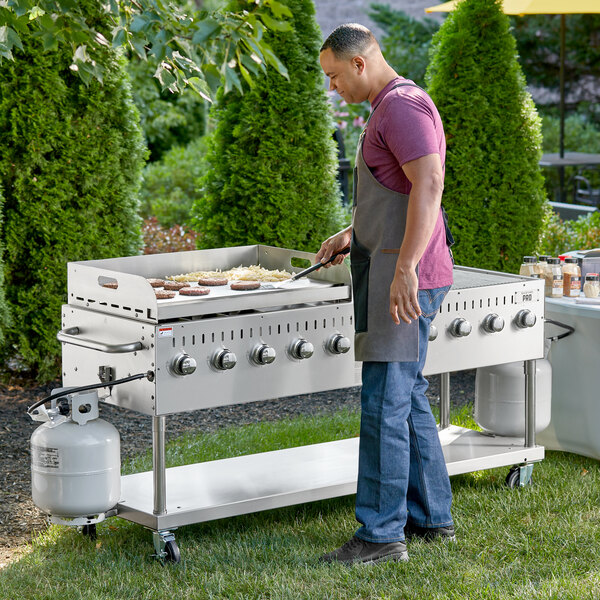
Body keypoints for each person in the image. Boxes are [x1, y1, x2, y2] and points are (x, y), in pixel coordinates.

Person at [316, 23, 455, 565]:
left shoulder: (400, 108)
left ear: (359, 62)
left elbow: (431, 182)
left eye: (333, 77)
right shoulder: (390, 106)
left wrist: (407, 268)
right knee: (406, 393)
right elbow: (397, 188)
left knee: (384, 401)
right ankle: (431, 516)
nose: (333, 89)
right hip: (395, 265)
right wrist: (355, 234)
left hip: (405, 276)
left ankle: (379, 536)